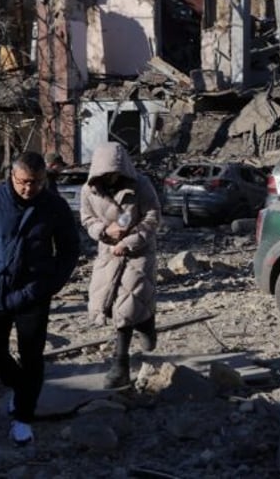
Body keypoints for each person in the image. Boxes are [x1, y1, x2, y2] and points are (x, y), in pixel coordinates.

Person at [0, 151, 80, 446]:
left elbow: (69, 250)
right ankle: (21, 388)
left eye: (37, 182)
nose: (30, 188)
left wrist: (50, 285)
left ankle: (24, 418)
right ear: (12, 176)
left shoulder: (54, 206)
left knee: (32, 357)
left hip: (34, 292)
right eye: (24, 182)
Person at [80, 142, 161, 389]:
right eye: (105, 173)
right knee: (108, 303)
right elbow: (86, 219)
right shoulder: (89, 190)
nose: (110, 177)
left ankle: (120, 365)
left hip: (138, 252)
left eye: (114, 172)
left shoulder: (141, 185)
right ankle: (144, 322)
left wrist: (130, 240)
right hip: (108, 252)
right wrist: (104, 230)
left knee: (126, 308)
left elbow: (153, 216)